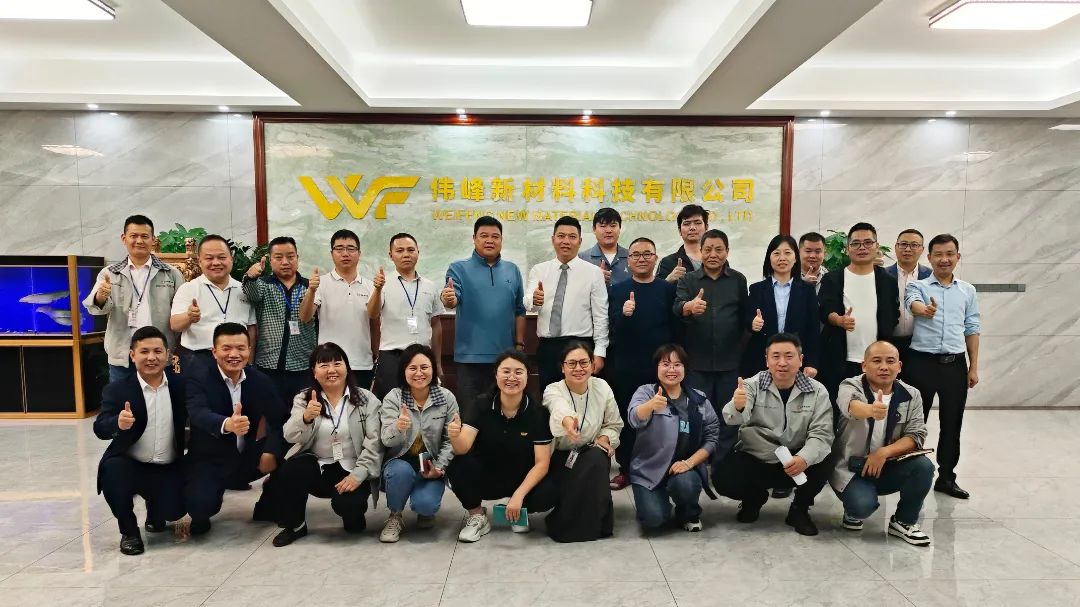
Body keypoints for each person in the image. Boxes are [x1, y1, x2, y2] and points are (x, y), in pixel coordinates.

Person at [712, 334, 834, 536]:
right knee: (723, 479)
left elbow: (822, 433)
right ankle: (753, 498)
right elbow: (732, 418)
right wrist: (738, 406)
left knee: (826, 458)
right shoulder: (751, 385)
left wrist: (804, 458)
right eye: (776, 356)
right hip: (757, 458)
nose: (782, 363)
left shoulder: (817, 391)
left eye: (789, 356)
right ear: (766, 360)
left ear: (801, 360)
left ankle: (799, 509)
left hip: (795, 460)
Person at [272, 343, 384, 547]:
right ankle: (295, 525)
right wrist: (305, 418)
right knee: (291, 469)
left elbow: (374, 442)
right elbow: (289, 435)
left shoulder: (366, 399)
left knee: (350, 511)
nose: (331, 370)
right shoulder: (304, 398)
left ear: (347, 368)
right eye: (324, 365)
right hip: (319, 465)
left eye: (337, 364)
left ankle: (353, 515)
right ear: (314, 372)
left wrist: (358, 475)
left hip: (353, 467)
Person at [184, 322, 286, 535]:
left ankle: (269, 503)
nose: (234, 354)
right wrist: (227, 424)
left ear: (249, 350)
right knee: (200, 506)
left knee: (288, 456)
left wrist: (270, 450)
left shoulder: (259, 380)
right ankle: (204, 505)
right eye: (226, 348)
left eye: (240, 348)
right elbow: (197, 412)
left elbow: (280, 419)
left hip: (246, 457)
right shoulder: (199, 378)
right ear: (214, 352)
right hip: (210, 460)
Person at [94, 326, 187, 555]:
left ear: (167, 354)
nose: (151, 357)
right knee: (113, 472)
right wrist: (117, 423)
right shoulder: (118, 389)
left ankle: (156, 508)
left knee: (175, 512)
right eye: (144, 351)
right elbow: (100, 427)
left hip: (168, 466)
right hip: (131, 465)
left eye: (157, 351)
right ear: (132, 355)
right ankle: (129, 532)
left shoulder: (180, 386)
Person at [447, 350, 557, 542]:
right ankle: (477, 515)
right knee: (457, 463)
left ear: (527, 376)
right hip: (488, 475)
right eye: (506, 371)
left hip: (521, 477)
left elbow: (542, 463)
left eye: (518, 372)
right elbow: (462, 448)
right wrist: (455, 436)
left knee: (551, 490)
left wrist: (518, 496)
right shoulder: (481, 404)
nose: (512, 377)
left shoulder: (538, 413)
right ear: (496, 374)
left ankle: (518, 511)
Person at [832, 341, 933, 546]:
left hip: (887, 466)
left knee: (924, 467)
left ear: (899, 366)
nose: (884, 367)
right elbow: (851, 406)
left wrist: (883, 453)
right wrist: (871, 410)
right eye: (877, 361)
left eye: (890, 361)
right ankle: (853, 510)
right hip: (851, 469)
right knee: (861, 507)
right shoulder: (849, 385)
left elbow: (916, 434)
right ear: (864, 365)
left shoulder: (911, 394)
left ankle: (904, 521)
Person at [904, 234, 981, 500]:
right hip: (921, 364)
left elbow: (972, 327)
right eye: (938, 254)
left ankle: (947, 478)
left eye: (949, 254)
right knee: (915, 423)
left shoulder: (967, 291)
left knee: (952, 423)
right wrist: (923, 310)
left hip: (954, 365)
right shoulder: (917, 285)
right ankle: (908, 474)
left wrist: (973, 367)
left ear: (958, 257)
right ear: (929, 258)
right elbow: (912, 304)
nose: (944, 259)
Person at [606, 236, 676, 490]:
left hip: (660, 368)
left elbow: (676, 327)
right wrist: (624, 314)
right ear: (628, 261)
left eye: (647, 254)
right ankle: (626, 468)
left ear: (656, 258)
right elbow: (612, 329)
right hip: (627, 365)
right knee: (629, 418)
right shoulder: (617, 290)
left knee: (661, 418)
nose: (642, 259)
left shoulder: (668, 289)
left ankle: (660, 467)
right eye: (636, 255)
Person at [672, 228, 747, 460]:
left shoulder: (738, 280)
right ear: (700, 251)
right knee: (697, 414)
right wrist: (689, 307)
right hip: (696, 362)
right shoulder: (688, 280)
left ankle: (722, 464)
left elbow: (744, 318)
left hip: (729, 362)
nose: (713, 254)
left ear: (727, 251)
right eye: (708, 249)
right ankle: (698, 462)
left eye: (719, 249)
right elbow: (676, 307)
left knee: (729, 416)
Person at [626, 344, 719, 532]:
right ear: (657, 367)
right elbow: (633, 418)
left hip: (682, 468)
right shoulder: (646, 392)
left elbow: (712, 436)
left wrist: (689, 463)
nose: (671, 369)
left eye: (677, 365)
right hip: (648, 470)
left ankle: (689, 513)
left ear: (685, 368)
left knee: (686, 483)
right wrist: (650, 406)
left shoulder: (699, 399)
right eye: (666, 364)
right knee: (654, 520)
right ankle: (656, 504)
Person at [83, 215, 184, 383]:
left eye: (144, 236)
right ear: (124, 239)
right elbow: (96, 308)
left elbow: (181, 311)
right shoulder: (110, 273)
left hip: (159, 355)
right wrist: (101, 295)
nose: (139, 241)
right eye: (134, 236)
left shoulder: (171, 273)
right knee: (123, 398)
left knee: (160, 397)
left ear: (153, 239)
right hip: (123, 355)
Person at [442, 216, 526, 415]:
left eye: (495, 236)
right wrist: (448, 298)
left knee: (502, 416)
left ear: (501, 240)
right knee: (470, 416)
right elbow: (451, 299)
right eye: (484, 236)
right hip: (469, 360)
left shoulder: (512, 270)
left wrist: (519, 345)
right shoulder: (458, 268)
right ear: (474, 238)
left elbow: (519, 310)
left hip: (505, 360)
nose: (490, 240)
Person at [542, 341, 624, 543]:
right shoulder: (553, 389)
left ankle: (593, 525)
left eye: (583, 362)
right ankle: (567, 526)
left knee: (597, 456)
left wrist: (604, 438)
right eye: (571, 363)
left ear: (592, 365)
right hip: (561, 457)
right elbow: (558, 408)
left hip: (590, 452)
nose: (578, 368)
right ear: (562, 367)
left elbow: (614, 424)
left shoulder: (602, 387)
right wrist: (568, 422)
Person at [377, 344, 460, 542]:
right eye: (412, 368)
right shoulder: (394, 397)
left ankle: (424, 509)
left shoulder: (446, 397)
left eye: (424, 367)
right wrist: (398, 427)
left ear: (433, 369)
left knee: (426, 505)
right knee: (400, 471)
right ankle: (395, 515)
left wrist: (439, 468)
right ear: (403, 371)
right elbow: (386, 439)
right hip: (400, 461)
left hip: (430, 463)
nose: (419, 373)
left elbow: (450, 440)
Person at [817, 222, 900, 405]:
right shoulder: (833, 278)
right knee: (837, 408)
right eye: (855, 243)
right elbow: (825, 310)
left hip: (877, 363)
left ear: (877, 247)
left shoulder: (887, 280)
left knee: (875, 410)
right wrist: (839, 320)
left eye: (868, 242)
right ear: (847, 249)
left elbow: (893, 314)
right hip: (840, 359)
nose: (862, 247)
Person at [526, 216, 609, 389]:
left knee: (580, 396)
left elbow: (601, 316)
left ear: (580, 241)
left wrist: (600, 352)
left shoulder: (593, 273)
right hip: (548, 347)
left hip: (581, 346)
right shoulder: (539, 270)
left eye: (572, 237)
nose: (566, 241)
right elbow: (528, 303)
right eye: (561, 236)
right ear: (553, 239)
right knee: (549, 397)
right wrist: (535, 300)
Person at [243, 236, 318, 409]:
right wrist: (250, 276)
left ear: (297, 258)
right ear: (270, 260)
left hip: (302, 365)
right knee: (272, 415)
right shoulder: (264, 284)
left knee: (301, 414)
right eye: (278, 257)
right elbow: (252, 293)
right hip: (268, 364)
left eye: (290, 257)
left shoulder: (309, 286)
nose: (285, 262)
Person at [368, 233, 445, 399]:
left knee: (423, 403)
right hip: (392, 357)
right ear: (391, 255)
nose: (406, 254)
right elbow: (372, 314)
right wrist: (378, 290)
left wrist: (438, 362)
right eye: (400, 250)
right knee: (391, 405)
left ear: (418, 252)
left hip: (423, 357)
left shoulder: (430, 286)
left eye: (410, 250)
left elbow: (436, 324)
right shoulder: (382, 284)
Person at [298, 229, 376, 390]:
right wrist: (311, 290)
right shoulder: (321, 283)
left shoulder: (370, 286)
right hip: (329, 363)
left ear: (359, 253)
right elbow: (305, 317)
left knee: (360, 404)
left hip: (362, 362)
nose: (345, 253)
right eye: (339, 249)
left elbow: (376, 323)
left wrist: (377, 355)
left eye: (350, 248)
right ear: (332, 253)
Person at [170, 234, 255, 376]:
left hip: (235, 359)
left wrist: (249, 363)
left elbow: (251, 328)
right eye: (209, 258)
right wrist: (189, 317)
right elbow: (174, 325)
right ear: (200, 261)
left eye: (221, 257)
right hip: (198, 360)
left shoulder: (243, 289)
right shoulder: (189, 288)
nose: (216, 263)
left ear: (231, 259)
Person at [744, 234, 820, 379]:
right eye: (776, 253)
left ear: (795, 258)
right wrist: (753, 323)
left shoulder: (807, 290)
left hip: (796, 360)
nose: (782, 258)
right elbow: (746, 319)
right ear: (769, 258)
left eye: (787, 253)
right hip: (762, 360)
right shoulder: (756, 289)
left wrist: (812, 363)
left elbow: (813, 329)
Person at [884, 229, 932, 361]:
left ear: (922, 249)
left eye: (914, 245)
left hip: (921, 344)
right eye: (903, 244)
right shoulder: (882, 275)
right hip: (889, 342)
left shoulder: (931, 276)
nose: (908, 249)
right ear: (896, 247)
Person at [578, 207, 631, 285]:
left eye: (613, 226)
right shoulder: (582, 258)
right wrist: (593, 278)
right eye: (603, 226)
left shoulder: (632, 256)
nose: (608, 230)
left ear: (620, 228)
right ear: (594, 229)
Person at [656, 204, 708, 283]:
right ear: (680, 230)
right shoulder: (667, 262)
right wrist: (669, 280)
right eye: (687, 224)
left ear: (706, 227)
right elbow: (657, 290)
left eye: (697, 223)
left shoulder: (717, 259)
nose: (692, 228)